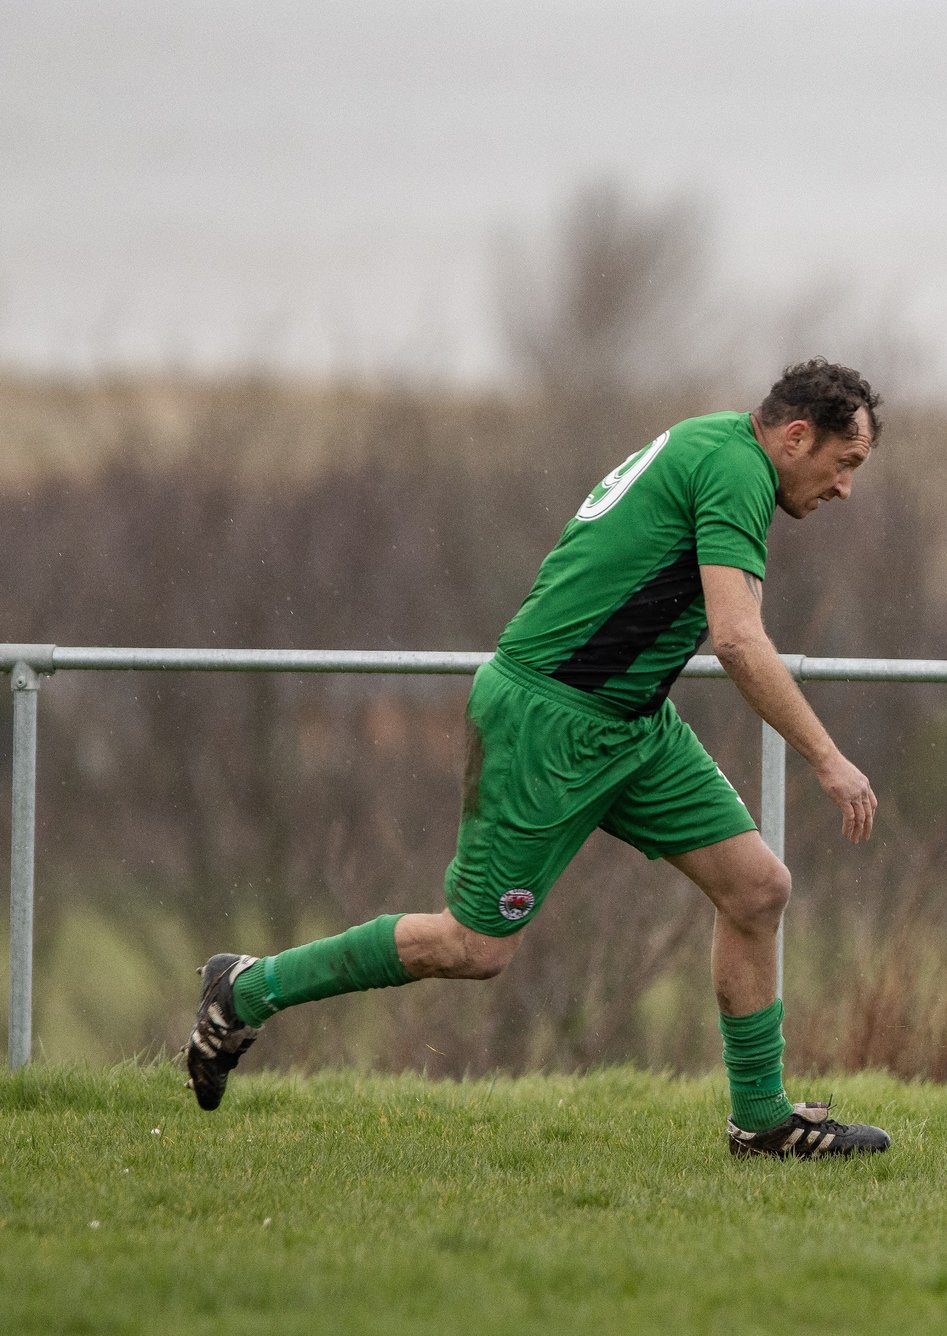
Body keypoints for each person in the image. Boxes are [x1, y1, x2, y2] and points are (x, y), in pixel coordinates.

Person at [184, 359, 893, 1160]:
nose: (845, 490)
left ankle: (762, 1120)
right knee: (474, 949)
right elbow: (736, 639)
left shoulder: (722, 450)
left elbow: (726, 614)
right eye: (846, 465)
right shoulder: (733, 468)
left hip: (632, 726)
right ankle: (245, 990)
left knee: (758, 888)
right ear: (797, 436)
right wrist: (828, 759)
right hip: (546, 722)